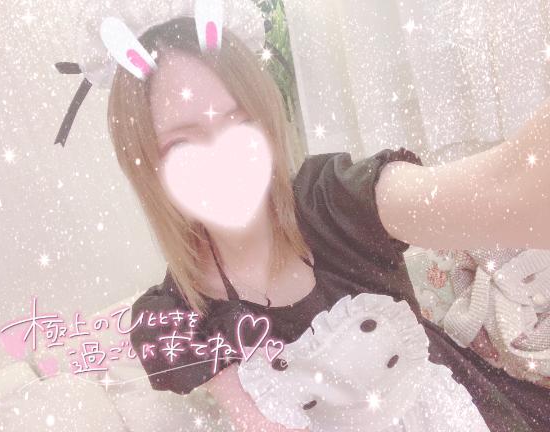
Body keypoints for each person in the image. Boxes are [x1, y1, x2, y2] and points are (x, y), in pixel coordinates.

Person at [103, 16, 550, 432]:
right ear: (147, 168)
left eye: (238, 122)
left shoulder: (334, 201)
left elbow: (500, 190)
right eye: (181, 145)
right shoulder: (179, 315)